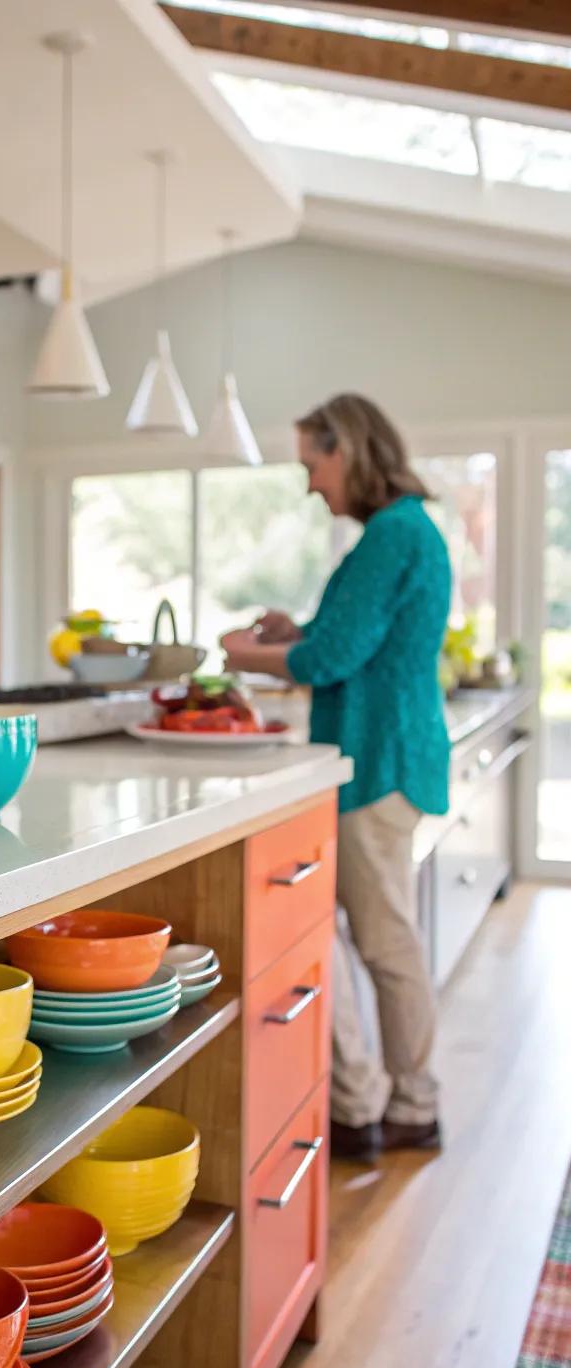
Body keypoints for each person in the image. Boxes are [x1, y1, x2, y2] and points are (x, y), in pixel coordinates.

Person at [220, 393, 451, 1163]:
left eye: (312, 464)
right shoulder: (400, 531)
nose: (310, 484)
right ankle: (374, 1101)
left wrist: (242, 654)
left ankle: (405, 1106)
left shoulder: (392, 534)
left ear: (345, 450)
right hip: (384, 756)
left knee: (382, 942)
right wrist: (295, 632)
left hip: (378, 760)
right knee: (372, 936)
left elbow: (331, 659)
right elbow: (346, 637)